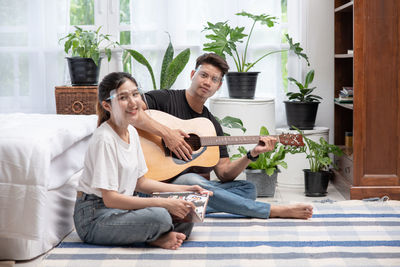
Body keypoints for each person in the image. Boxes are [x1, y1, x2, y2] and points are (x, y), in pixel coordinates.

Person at [135, 53, 313, 220]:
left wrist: (252, 154)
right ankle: (270, 210)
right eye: (203, 75)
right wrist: (167, 134)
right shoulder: (166, 98)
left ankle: (184, 205)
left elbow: (224, 173)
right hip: (153, 184)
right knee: (191, 180)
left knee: (248, 189)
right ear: (192, 74)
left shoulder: (211, 125)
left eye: (214, 79)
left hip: (185, 188)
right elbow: (133, 112)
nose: (207, 82)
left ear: (219, 86)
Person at [73, 72, 211, 250]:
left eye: (135, 94)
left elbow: (141, 182)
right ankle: (154, 236)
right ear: (107, 105)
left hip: (122, 209)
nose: (133, 102)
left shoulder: (131, 131)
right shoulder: (104, 139)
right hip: (95, 217)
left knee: (185, 214)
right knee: (160, 216)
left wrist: (185, 190)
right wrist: (163, 202)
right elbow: (110, 200)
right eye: (123, 97)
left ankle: (155, 235)